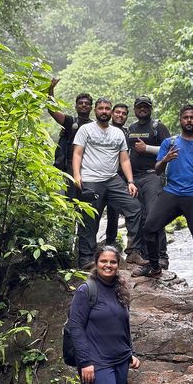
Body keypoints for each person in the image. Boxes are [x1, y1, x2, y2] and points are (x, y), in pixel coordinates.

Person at [141, 104, 193, 286]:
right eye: (185, 117)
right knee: (149, 227)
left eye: (192, 118)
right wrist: (165, 160)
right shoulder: (169, 143)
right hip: (172, 193)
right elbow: (157, 171)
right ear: (180, 120)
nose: (189, 121)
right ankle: (154, 267)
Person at [68, 245, 140, 384]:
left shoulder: (120, 289)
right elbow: (76, 328)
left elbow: (122, 325)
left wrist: (130, 353)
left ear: (118, 265)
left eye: (112, 262)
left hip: (119, 361)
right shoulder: (86, 290)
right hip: (96, 363)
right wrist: (85, 363)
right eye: (104, 261)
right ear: (96, 263)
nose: (108, 265)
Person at [72, 97, 148, 268]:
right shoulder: (85, 130)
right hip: (91, 179)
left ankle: (134, 252)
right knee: (89, 218)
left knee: (134, 207)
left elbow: (124, 159)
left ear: (111, 112)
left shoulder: (118, 133)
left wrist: (130, 181)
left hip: (112, 179)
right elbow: (77, 153)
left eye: (107, 108)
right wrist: (77, 175)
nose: (104, 111)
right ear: (95, 111)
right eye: (101, 108)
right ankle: (86, 258)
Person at [127, 96, 171, 275]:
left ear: (150, 108)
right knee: (140, 216)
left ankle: (162, 256)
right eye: (139, 107)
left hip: (153, 176)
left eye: (146, 107)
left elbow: (170, 149)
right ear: (135, 109)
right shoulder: (131, 128)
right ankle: (145, 255)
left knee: (155, 216)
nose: (142, 109)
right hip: (134, 179)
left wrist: (148, 149)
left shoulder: (158, 127)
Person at [48, 77, 93, 199]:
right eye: (80, 103)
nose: (84, 105)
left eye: (87, 103)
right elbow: (53, 111)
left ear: (91, 108)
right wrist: (51, 89)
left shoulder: (95, 125)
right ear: (76, 107)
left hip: (90, 168)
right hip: (70, 168)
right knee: (72, 200)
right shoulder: (70, 122)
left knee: (88, 201)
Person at [105, 103, 129, 247]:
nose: (120, 115)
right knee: (109, 212)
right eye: (117, 112)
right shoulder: (102, 129)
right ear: (112, 114)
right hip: (103, 175)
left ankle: (132, 248)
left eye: (124, 113)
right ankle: (109, 243)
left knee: (127, 210)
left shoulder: (129, 132)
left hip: (124, 176)